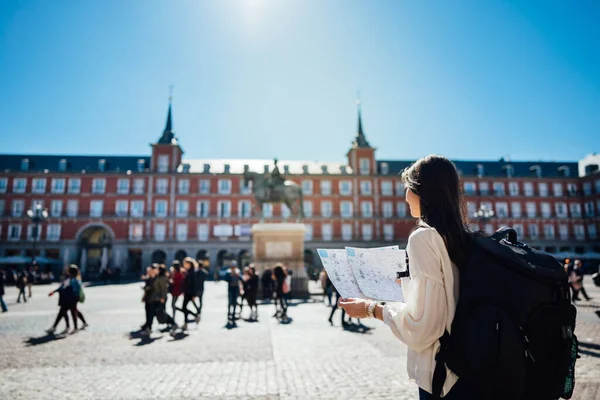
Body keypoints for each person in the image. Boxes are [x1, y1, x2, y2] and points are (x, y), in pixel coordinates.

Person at [339, 155, 476, 399]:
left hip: (444, 376)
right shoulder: (462, 237)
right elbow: (449, 297)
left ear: (423, 191)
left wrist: (371, 309)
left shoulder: (422, 238)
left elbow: (423, 327)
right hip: (472, 367)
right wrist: (410, 284)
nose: (404, 196)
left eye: (408, 188)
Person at [142, 265, 177, 335]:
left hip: (158, 299)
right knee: (151, 313)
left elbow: (164, 289)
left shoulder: (161, 277)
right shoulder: (153, 276)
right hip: (152, 299)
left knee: (161, 313)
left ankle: (172, 323)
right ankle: (148, 327)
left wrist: (163, 297)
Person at [47, 265, 82, 334]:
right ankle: (70, 327)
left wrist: (54, 292)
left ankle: (63, 327)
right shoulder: (75, 279)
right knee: (67, 313)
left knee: (66, 313)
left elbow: (63, 288)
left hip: (68, 299)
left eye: (68, 270)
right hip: (70, 299)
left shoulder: (72, 280)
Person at [180, 257, 199, 331]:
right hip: (187, 292)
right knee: (184, 308)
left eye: (185, 264)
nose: (184, 265)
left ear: (189, 264)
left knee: (184, 308)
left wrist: (194, 294)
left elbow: (194, 284)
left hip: (190, 292)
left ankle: (194, 316)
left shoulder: (192, 272)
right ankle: (186, 323)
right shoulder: (188, 271)